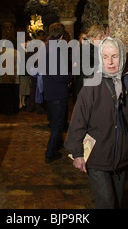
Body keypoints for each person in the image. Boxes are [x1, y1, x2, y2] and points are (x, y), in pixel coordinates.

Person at [65, 37, 128, 209]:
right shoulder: (91, 85)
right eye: (105, 57)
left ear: (122, 57)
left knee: (117, 202)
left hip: (123, 156)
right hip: (98, 156)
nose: (110, 62)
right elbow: (78, 121)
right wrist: (77, 153)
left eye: (114, 56)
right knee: (107, 204)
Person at [43, 22, 73, 163]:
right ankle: (50, 153)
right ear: (61, 36)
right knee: (58, 124)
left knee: (55, 121)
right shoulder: (55, 50)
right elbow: (60, 76)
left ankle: (56, 144)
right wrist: (70, 75)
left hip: (49, 90)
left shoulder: (46, 47)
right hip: (57, 93)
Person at [73, 24, 106, 101]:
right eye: (100, 37)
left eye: (103, 37)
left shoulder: (88, 46)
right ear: (92, 37)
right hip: (85, 84)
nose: (102, 39)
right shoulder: (88, 47)